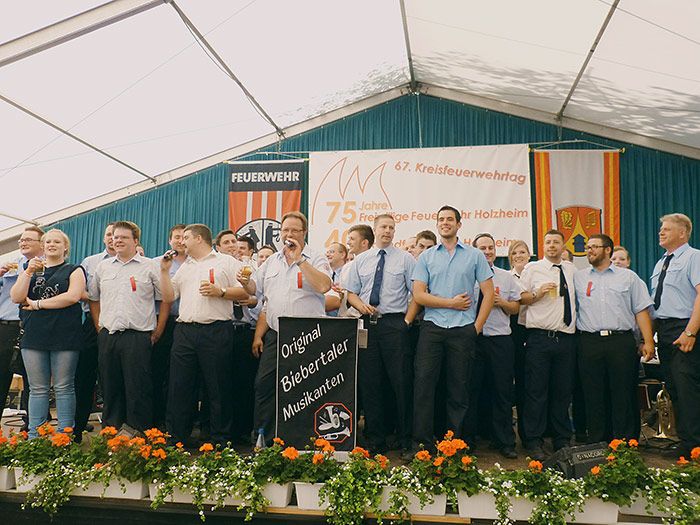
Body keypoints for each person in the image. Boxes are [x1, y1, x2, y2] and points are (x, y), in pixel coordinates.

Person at [239, 211, 332, 443]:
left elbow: (323, 286)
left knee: (306, 388)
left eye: (294, 230)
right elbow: (254, 289)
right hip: (277, 334)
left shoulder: (316, 257)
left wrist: (300, 259)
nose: (288, 234)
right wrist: (245, 282)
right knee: (264, 384)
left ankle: (304, 440)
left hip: (307, 335)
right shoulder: (272, 261)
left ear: (304, 233)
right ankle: (263, 437)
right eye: (285, 230)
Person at [409, 205, 494, 454]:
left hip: (463, 330)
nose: (445, 223)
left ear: (458, 224)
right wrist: (451, 303)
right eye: (441, 219)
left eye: (449, 219)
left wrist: (476, 328)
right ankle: (422, 446)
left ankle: (454, 447)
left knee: (459, 389)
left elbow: (488, 294)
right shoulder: (426, 257)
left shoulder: (474, 256)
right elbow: (419, 295)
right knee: (423, 387)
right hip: (432, 329)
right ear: (437, 224)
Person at [160, 224, 248, 446]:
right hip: (185, 331)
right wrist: (164, 271)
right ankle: (177, 438)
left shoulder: (226, 262)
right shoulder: (185, 266)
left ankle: (221, 440)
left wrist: (221, 292)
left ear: (199, 239)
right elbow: (169, 296)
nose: (182, 242)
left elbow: (245, 291)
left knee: (218, 386)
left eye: (186, 237)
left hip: (215, 329)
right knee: (179, 385)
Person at [345, 214, 417, 452]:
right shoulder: (361, 260)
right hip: (367, 324)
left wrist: (406, 322)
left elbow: (417, 293)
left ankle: (406, 439)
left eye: (391, 228)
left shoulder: (405, 259)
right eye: (384, 227)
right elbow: (351, 293)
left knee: (401, 382)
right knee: (370, 382)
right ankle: (376, 440)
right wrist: (360, 306)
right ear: (375, 230)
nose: (387, 231)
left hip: (395, 325)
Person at [574, 233, 654, 443]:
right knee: (593, 393)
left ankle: (625, 444)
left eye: (594, 246)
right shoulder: (579, 277)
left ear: (607, 250)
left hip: (621, 342)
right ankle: (597, 442)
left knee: (623, 392)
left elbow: (641, 310)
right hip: (589, 342)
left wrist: (648, 341)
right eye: (588, 247)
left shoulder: (628, 277)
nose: (589, 250)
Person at [89, 221, 167, 432]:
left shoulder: (150, 266)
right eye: (115, 237)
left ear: (135, 241)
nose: (118, 241)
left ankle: (138, 436)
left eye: (123, 237)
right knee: (110, 387)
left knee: (138, 388)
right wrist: (99, 326)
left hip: (138, 336)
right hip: (109, 335)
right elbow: (93, 298)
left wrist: (159, 329)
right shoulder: (103, 267)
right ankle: (111, 433)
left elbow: (165, 299)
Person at [10, 229, 86, 438]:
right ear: (42, 246)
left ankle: (64, 435)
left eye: (57, 242)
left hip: (65, 335)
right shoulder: (30, 269)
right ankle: (35, 436)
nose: (52, 245)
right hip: (34, 335)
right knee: (37, 388)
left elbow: (72, 296)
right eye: (48, 242)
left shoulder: (74, 270)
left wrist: (37, 304)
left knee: (63, 386)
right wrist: (28, 272)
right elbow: (16, 297)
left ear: (65, 247)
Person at [519, 230, 577, 460]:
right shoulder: (532, 268)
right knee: (536, 391)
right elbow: (520, 297)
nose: (552, 245)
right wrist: (537, 293)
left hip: (566, 339)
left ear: (563, 246)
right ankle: (533, 440)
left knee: (562, 391)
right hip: (540, 338)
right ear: (543, 245)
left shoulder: (571, 269)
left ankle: (561, 438)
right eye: (548, 242)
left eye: (556, 242)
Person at [465, 233, 522, 458]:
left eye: (491, 248)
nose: (487, 252)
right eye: (483, 248)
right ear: (474, 251)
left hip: (500, 340)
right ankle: (467, 441)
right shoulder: (466, 275)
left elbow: (516, 308)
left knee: (502, 391)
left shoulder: (505, 277)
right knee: (470, 391)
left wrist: (502, 302)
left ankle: (505, 441)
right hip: (473, 338)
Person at [650, 213, 700, 458]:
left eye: (667, 229)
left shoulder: (694, 257)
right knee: (674, 388)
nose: (661, 232)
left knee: (687, 387)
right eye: (661, 229)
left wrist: (690, 332)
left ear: (682, 233)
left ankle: (695, 445)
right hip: (664, 329)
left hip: (685, 327)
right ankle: (686, 442)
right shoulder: (661, 263)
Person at [74, 222, 115, 440]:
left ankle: (113, 429)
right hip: (92, 323)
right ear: (103, 238)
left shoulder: (137, 261)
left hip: (119, 324)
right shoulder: (90, 262)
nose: (112, 238)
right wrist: (97, 296)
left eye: (116, 235)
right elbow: (78, 291)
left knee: (112, 378)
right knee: (84, 377)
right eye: (108, 234)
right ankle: (77, 429)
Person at [0, 226, 44, 429]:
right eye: (21, 240)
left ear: (41, 243)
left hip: (33, 327)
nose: (23, 243)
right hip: (6, 327)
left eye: (28, 240)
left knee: (33, 380)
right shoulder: (10, 266)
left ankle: (32, 428)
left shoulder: (48, 265)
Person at [151, 224, 186, 428]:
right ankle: (158, 419)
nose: (180, 241)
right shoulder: (158, 263)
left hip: (188, 323)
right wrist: (158, 328)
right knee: (159, 371)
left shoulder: (196, 263)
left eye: (184, 237)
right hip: (163, 322)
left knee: (181, 376)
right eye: (176, 237)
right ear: (169, 241)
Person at [507, 239, 531, 444]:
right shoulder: (506, 278)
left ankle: (528, 432)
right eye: (514, 253)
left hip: (533, 331)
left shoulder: (538, 275)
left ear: (529, 254)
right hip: (512, 329)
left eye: (522, 252)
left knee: (528, 384)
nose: (519, 256)